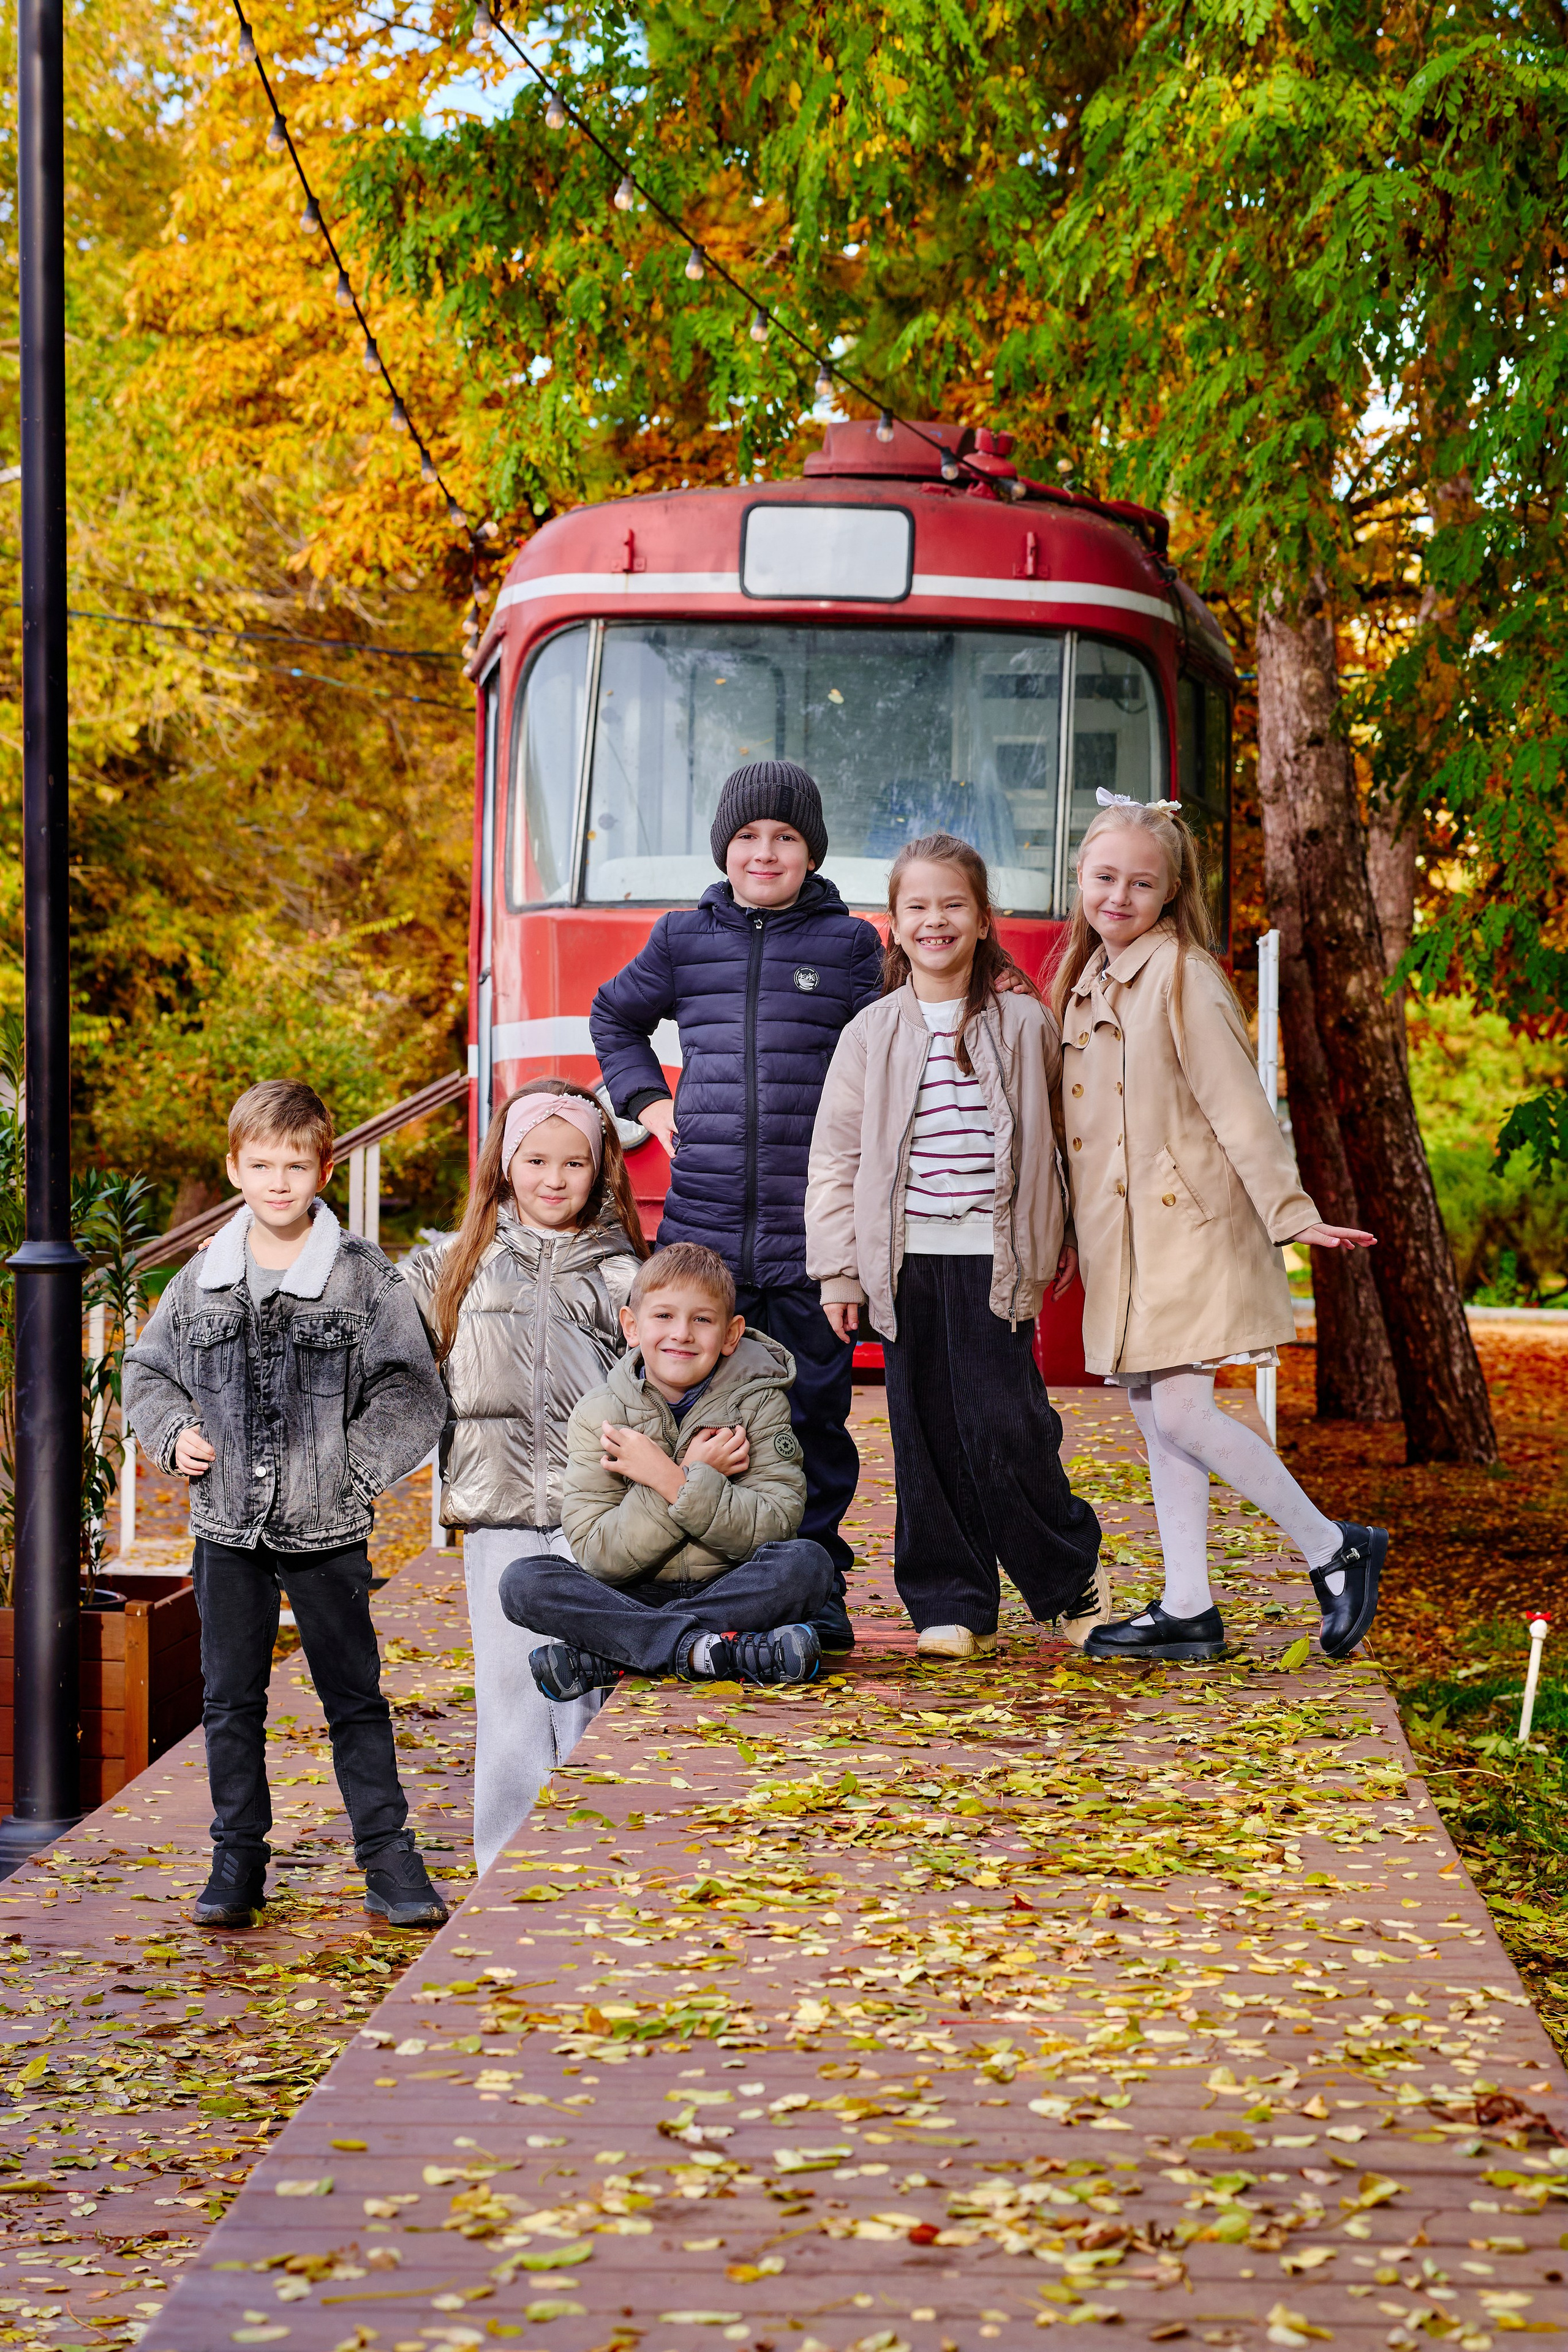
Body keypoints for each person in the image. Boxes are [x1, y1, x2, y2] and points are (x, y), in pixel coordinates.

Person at [1052, 790, 1386, 1663]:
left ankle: (1332, 1546)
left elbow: (1239, 1108)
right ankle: (1189, 1605)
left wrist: (1293, 1213)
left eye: (1141, 883)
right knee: (1160, 1415)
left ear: (1171, 894)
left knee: (1188, 1412)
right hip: (1125, 1243)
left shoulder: (1183, 974)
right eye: (1104, 878)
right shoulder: (1083, 981)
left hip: (1189, 1230)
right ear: (1081, 879)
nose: (1118, 896)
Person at [122, 1080, 449, 1929]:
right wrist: (173, 1434)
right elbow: (147, 1372)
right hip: (226, 1528)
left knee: (354, 1695)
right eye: (261, 1164)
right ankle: (238, 1859)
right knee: (230, 1700)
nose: (277, 1182)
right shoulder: (202, 1278)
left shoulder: (360, 1279)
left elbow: (412, 1392)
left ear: (323, 1168)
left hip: (327, 1527)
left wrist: (354, 1471)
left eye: (294, 1166)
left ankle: (388, 1857)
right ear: (234, 1168)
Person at [589, 760, 883, 1655]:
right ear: (726, 848)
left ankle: (815, 1587)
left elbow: (884, 1057)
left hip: (809, 1230)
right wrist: (650, 1104)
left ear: (810, 851)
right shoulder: (683, 938)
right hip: (704, 1232)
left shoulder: (851, 947)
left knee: (814, 1419)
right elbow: (614, 1016)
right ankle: (713, 1587)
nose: (766, 853)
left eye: (785, 838)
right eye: (749, 838)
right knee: (704, 1415)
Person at [805, 833, 1106, 1661]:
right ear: (893, 926)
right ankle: (952, 1600)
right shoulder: (871, 1033)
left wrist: (1073, 1230)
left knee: (1006, 1423)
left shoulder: (1024, 1021)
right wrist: (839, 1271)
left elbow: (1067, 1137)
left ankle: (1069, 1575)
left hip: (995, 1253)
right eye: (917, 907)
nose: (934, 919)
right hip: (902, 1260)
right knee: (926, 1431)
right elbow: (835, 1159)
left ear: (981, 921)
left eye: (952, 905)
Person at [398, 1079, 647, 1875]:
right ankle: (505, 1862)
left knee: (581, 1685)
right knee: (510, 1692)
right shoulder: (451, 1264)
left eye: (574, 1162)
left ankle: (587, 1852)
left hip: (596, 1517)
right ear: (505, 1166)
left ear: (602, 1168)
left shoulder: (625, 1273)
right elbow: (365, 1326)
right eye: (536, 1159)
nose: (553, 1177)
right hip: (499, 1513)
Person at [499, 1242, 834, 1697]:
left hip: (729, 1586)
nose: (682, 1333)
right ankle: (715, 1652)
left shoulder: (759, 1403)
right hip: (631, 1594)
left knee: (807, 1565)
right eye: (663, 1316)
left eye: (702, 1319)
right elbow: (600, 1555)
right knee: (525, 1583)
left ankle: (617, 1653)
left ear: (731, 1334)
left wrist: (672, 1479)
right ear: (632, 1327)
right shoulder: (599, 1412)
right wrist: (686, 1474)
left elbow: (774, 1526)